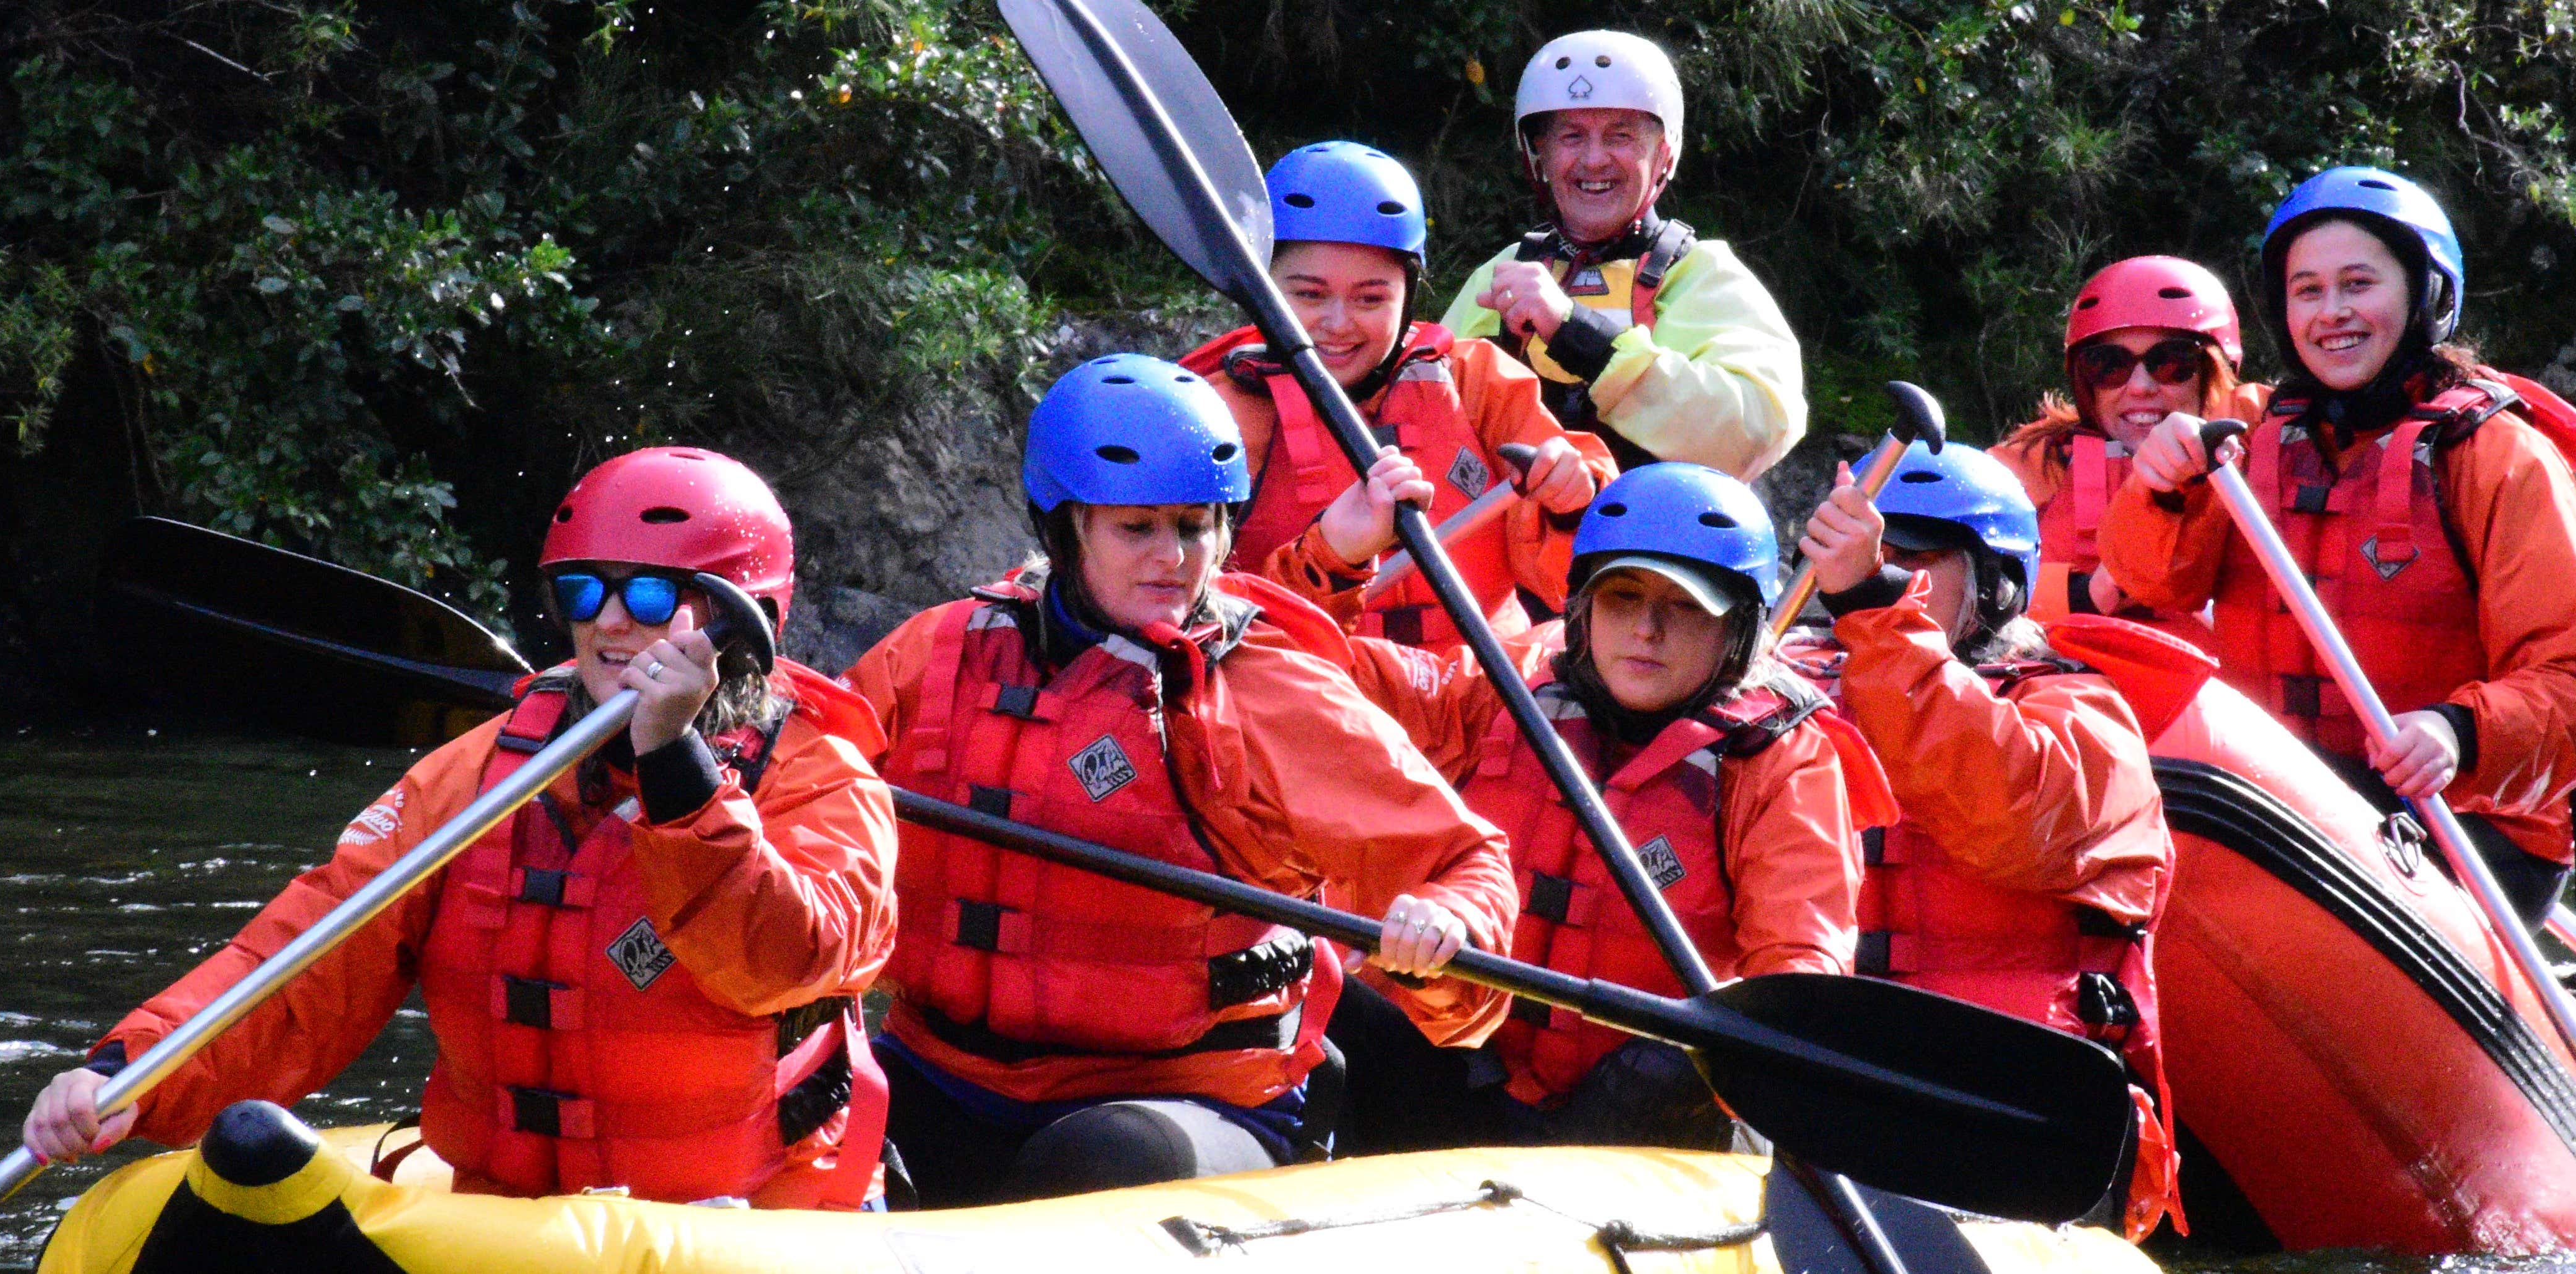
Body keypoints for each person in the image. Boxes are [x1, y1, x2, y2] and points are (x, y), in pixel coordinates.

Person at [21, 448, 897, 1208]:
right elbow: (304, 963)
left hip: (750, 1215)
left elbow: (785, 960)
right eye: (583, 591)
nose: (608, 620)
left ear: (739, 621)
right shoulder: (479, 776)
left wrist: (674, 769)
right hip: (506, 1213)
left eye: (652, 592)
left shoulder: (825, 783)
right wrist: (131, 1071)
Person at [843, 353, 1517, 1206]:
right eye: (1138, 529)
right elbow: (805, 785)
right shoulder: (939, 652)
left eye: (1195, 527)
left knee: (1098, 1159)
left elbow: (1468, 860)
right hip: (948, 1076)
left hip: (1189, 1097)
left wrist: (1446, 917)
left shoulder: (1263, 689)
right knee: (806, 1107)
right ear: (1064, 526)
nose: (1173, 559)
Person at [2104, 166, 2576, 918]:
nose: (2332, 312)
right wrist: (2159, 489)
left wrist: (2459, 731)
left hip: (2468, 817)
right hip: (2287, 792)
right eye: (2308, 291)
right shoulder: (2243, 434)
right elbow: (2154, 584)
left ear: (2427, 297)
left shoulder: (2499, 458)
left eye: (2359, 284)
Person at [1330, 461, 1877, 1153]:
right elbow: (1303, 670)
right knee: (1332, 996)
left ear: (1742, 625)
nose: (1646, 628)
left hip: (1635, 1124)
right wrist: (1336, 560)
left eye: (1684, 605)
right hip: (1459, 1068)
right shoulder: (1505, 683)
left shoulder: (1781, 759)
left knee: (1685, 1058)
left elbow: (1801, 976)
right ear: (1582, 606)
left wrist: (1719, 1053)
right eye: (1621, 597)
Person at [1790, 440, 2188, 1239]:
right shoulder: (1784, 686)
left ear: (1997, 583)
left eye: (1912, 558)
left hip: (2017, 1109)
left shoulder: (2085, 714)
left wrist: (1875, 606)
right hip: (1833, 1079)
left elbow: (2006, 812)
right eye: (1873, 552)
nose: (1885, 569)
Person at [1181, 141, 1610, 652]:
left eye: (1371, 298)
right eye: (1309, 294)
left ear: (1409, 296)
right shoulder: (1214, 417)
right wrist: (1329, 558)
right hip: (1316, 698)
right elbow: (1201, 622)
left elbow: (1582, 587)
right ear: (1263, 288)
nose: (1339, 325)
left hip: (1481, 691)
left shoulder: (1475, 381)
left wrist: (1572, 505)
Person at [1439, 31, 1806, 480]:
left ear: (1663, 154)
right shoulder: (1500, 278)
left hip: (1644, 546)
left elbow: (1752, 436)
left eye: (1621, 136)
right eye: (1572, 136)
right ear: (1541, 155)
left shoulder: (1703, 278)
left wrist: (1579, 337)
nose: (1594, 160)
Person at [1995, 256, 2270, 647]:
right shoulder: (2037, 461)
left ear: (2212, 370)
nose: (2140, 387)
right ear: (2084, 379)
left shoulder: (2264, 431)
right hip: (2073, 694)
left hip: (2219, 695)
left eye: (2171, 363)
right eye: (2109, 365)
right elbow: (1945, 578)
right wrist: (2083, 594)